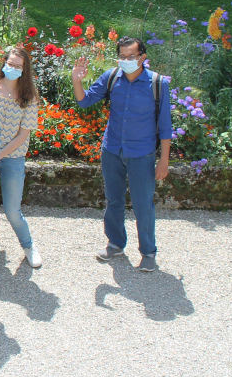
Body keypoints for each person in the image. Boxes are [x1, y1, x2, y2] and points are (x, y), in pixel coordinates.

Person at [72, 37, 171, 273]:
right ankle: (115, 243)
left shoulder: (157, 83)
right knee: (113, 199)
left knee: (143, 204)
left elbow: (165, 126)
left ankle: (148, 252)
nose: (126, 61)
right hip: (113, 150)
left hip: (142, 154)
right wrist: (76, 80)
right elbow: (84, 101)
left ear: (142, 58)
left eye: (131, 57)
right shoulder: (111, 77)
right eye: (123, 57)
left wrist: (164, 160)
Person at [0, 47, 42, 268]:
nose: (13, 68)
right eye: (11, 63)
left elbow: (24, 132)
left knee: (12, 210)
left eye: (18, 66)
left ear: (24, 70)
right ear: (3, 62)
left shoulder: (29, 97)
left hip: (13, 158)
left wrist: (1, 154)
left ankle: (28, 246)